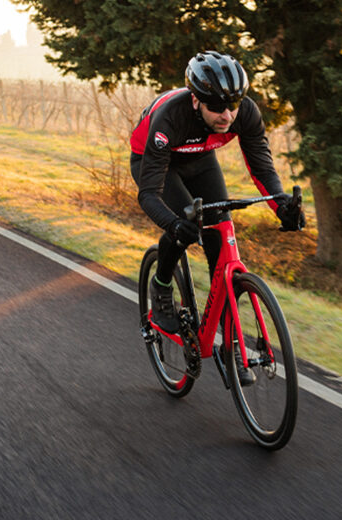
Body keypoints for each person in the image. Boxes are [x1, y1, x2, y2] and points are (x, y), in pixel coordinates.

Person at [130, 51, 304, 383]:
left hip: (200, 159)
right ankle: (162, 284)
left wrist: (281, 207)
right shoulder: (170, 118)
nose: (227, 116)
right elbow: (149, 194)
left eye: (233, 106)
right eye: (217, 108)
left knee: (219, 238)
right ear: (196, 101)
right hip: (155, 163)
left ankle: (231, 344)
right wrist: (173, 222)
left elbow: (262, 167)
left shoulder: (245, 113)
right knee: (185, 227)